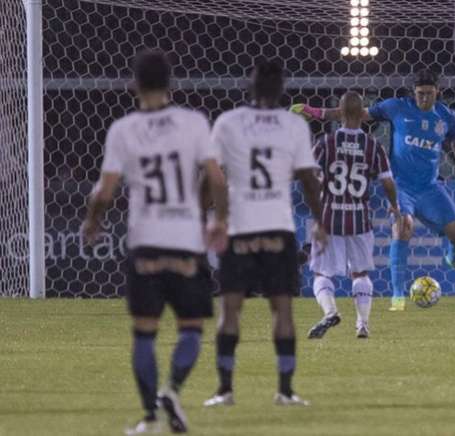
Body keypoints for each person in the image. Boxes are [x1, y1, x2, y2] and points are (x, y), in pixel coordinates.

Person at [82, 49, 228, 434]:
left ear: (134, 86)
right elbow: (216, 177)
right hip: (185, 243)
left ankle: (149, 417)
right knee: (192, 328)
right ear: (170, 84)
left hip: (145, 242)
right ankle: (173, 391)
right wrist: (221, 220)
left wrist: (92, 222)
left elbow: (105, 191)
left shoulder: (123, 130)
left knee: (144, 333)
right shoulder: (194, 123)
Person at [292, 69, 455, 312]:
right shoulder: (397, 107)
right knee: (403, 227)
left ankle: (453, 260)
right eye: (420, 94)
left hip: (430, 188)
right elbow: (354, 113)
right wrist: (316, 113)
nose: (423, 98)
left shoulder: (446, 116)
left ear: (438, 92)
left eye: (429, 94)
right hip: (402, 186)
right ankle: (398, 296)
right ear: (414, 92)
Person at [203, 60, 327, 408]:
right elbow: (308, 179)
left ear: (250, 87)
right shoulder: (293, 126)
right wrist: (320, 220)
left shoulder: (229, 123)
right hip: (278, 228)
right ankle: (285, 391)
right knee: (282, 312)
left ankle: (224, 390)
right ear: (281, 90)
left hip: (239, 228)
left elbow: (211, 176)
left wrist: (206, 218)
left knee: (230, 311)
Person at [306, 91, 400, 339]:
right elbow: (388, 182)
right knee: (361, 273)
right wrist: (395, 206)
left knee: (322, 273)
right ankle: (362, 324)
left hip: (329, 217)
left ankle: (330, 312)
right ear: (362, 114)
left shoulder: (325, 142)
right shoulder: (373, 146)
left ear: (340, 112)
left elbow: (312, 181)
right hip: (360, 218)